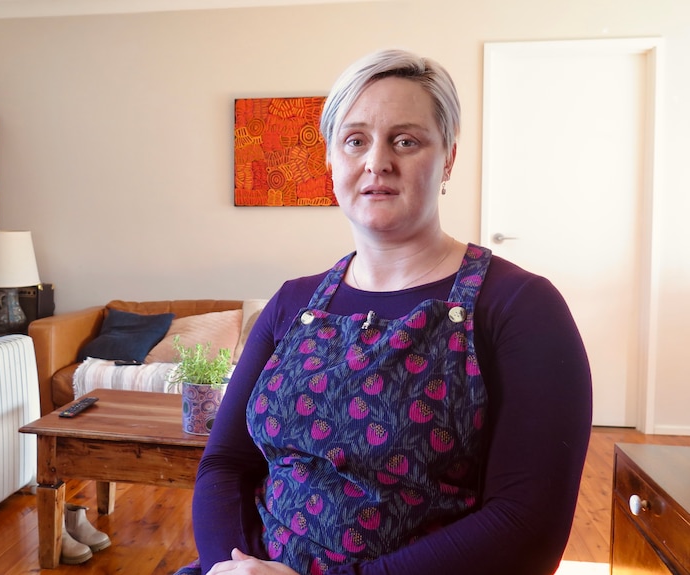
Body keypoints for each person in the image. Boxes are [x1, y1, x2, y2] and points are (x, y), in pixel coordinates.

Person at [188, 48, 592, 575]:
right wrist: (227, 566)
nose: (377, 161)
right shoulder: (291, 303)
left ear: (447, 158)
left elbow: (526, 526)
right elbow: (224, 464)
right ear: (331, 160)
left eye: (406, 140)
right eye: (355, 140)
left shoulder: (521, 308)